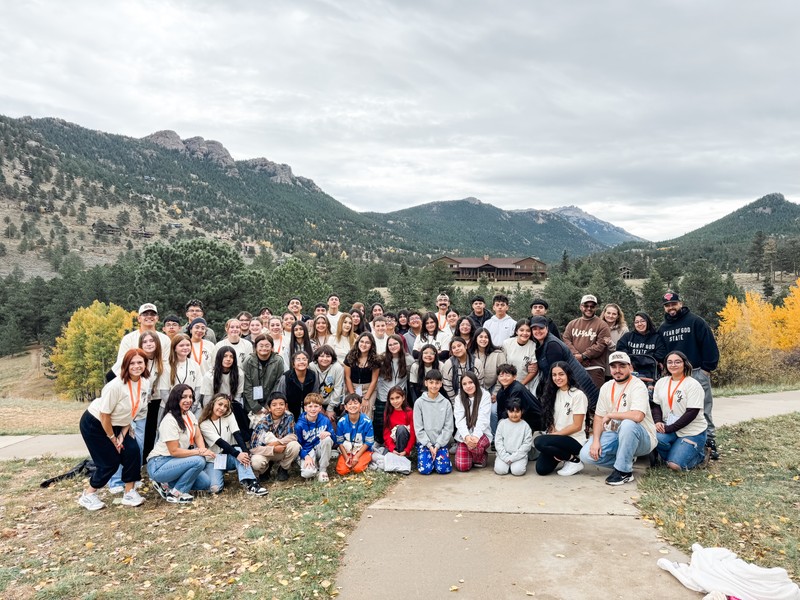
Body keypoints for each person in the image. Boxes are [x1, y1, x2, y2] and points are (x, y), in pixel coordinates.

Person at [78, 349, 150, 511]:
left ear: (145, 364)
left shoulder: (144, 383)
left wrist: (123, 435)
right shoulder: (115, 386)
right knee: (109, 462)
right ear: (125, 365)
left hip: (120, 424)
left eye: (140, 362)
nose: (136, 366)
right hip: (96, 423)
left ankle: (129, 493)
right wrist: (113, 439)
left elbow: (133, 412)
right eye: (132, 363)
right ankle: (88, 495)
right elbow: (105, 415)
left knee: (132, 451)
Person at [658, 291, 721, 460]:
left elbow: (709, 345)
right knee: (676, 408)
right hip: (674, 374)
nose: (671, 308)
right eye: (667, 305)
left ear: (681, 303)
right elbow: (662, 352)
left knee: (703, 408)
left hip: (696, 372)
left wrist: (706, 369)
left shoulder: (695, 321)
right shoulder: (663, 328)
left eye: (674, 304)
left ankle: (709, 441)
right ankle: (681, 442)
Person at [579, 352, 657, 485]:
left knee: (628, 424)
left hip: (643, 438)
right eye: (614, 367)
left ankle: (623, 472)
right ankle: (625, 460)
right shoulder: (606, 387)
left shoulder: (638, 385)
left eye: (622, 366)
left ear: (630, 368)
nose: (617, 370)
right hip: (616, 434)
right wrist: (596, 441)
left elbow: (637, 416)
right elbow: (598, 416)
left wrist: (611, 415)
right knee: (586, 455)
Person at [147, 385, 215, 503]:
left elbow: (197, 435)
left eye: (190, 397)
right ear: (175, 398)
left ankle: (167, 484)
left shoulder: (189, 414)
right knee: (198, 461)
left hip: (176, 461)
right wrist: (198, 452)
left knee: (205, 483)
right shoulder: (169, 420)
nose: (188, 400)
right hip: (160, 463)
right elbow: (174, 451)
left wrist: (203, 450)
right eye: (184, 397)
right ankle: (176, 493)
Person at [198, 394, 267, 496]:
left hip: (229, 456)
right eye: (220, 404)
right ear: (212, 404)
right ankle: (216, 475)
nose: (222, 408)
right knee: (215, 489)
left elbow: (237, 434)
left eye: (225, 406)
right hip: (214, 460)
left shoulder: (229, 415)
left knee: (240, 452)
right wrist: (238, 454)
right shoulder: (204, 424)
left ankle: (251, 483)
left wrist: (245, 452)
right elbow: (220, 442)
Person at [651, 351, 709, 471]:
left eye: (677, 362)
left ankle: (700, 455)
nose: (673, 365)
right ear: (665, 365)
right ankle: (678, 452)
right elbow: (656, 405)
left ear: (685, 364)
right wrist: (657, 421)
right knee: (654, 437)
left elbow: (691, 413)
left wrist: (669, 428)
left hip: (692, 431)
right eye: (670, 362)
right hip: (670, 428)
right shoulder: (661, 382)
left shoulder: (693, 384)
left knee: (675, 466)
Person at [531, 316, 598, 410]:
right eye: (534, 329)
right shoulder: (542, 343)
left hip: (579, 386)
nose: (538, 331)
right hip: (571, 384)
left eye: (541, 328)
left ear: (547, 328)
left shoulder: (552, 345)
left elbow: (555, 374)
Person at [533, 362, 588, 476]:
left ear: (568, 375)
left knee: (539, 441)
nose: (557, 378)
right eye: (554, 375)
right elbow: (550, 419)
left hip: (574, 439)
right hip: (557, 438)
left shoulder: (578, 395)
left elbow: (577, 426)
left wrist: (554, 436)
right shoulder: (553, 393)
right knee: (541, 469)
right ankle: (565, 457)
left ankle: (574, 460)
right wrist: (553, 431)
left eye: (561, 374)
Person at [562, 294, 612, 390]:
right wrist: (576, 355)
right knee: (575, 398)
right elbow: (566, 340)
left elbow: (600, 346)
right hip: (574, 367)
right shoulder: (572, 324)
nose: (589, 308)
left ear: (595, 308)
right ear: (581, 307)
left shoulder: (602, 325)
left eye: (592, 306)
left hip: (594, 369)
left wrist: (584, 356)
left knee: (594, 399)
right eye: (586, 306)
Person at [250, 392, 301, 482]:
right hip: (266, 452)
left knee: (295, 445)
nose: (278, 407)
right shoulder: (263, 423)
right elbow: (254, 448)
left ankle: (283, 469)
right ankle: (265, 471)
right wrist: (273, 449)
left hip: (281, 448)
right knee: (256, 462)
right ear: (269, 408)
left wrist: (277, 443)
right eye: (274, 405)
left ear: (285, 406)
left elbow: (293, 436)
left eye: (281, 404)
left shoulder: (289, 416)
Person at [112, 303, 171, 376]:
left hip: (157, 380)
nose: (149, 316)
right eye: (145, 314)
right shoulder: (128, 339)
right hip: (133, 380)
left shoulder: (165, 339)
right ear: (139, 318)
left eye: (152, 314)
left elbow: (166, 364)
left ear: (157, 318)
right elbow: (122, 363)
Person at [413, 369, 454, 475]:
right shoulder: (419, 403)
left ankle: (439, 458)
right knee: (425, 470)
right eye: (431, 382)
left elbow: (448, 427)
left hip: (440, 443)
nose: (434, 386)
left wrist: (437, 445)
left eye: (437, 383)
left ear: (441, 384)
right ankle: (428, 457)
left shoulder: (446, 403)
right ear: (426, 383)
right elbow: (418, 427)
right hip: (425, 443)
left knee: (443, 469)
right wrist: (429, 445)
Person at [616, 312, 667, 393]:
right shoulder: (628, 336)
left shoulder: (656, 338)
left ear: (648, 322)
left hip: (650, 375)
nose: (639, 324)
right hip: (631, 372)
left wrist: (634, 358)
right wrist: (644, 359)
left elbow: (660, 354)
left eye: (642, 321)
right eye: (636, 322)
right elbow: (620, 351)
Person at [199, 346, 246, 433]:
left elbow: (238, 397)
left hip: (231, 406)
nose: (228, 359)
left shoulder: (239, 374)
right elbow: (207, 400)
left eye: (231, 357)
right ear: (219, 357)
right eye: (225, 356)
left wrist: (229, 410)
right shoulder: (209, 375)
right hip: (214, 407)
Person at [375, 334, 412, 444]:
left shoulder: (408, 359)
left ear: (401, 344)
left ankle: (397, 442)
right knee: (380, 421)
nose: (393, 346)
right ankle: (380, 441)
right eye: (390, 344)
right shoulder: (381, 359)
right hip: (383, 395)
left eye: (395, 343)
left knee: (397, 420)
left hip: (399, 396)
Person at [242, 334, 285, 424]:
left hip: (271, 404)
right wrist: (256, 407)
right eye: (261, 346)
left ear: (272, 347)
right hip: (251, 404)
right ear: (255, 347)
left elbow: (278, 384)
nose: (264, 348)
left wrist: (268, 406)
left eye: (267, 345)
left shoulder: (278, 361)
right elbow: (247, 386)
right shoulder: (249, 361)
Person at [453, 372, 492, 471]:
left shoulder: (485, 395)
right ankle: (472, 455)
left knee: (475, 446)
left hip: (481, 433)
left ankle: (480, 457)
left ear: (476, 382)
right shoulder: (459, 398)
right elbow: (460, 419)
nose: (468, 386)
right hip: (465, 434)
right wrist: (466, 436)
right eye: (464, 384)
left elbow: (483, 418)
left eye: (470, 382)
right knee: (462, 466)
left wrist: (475, 436)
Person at [296, 393, 336, 482]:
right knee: (307, 474)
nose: (313, 409)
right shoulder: (299, 425)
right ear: (305, 408)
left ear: (320, 408)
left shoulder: (325, 420)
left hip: (319, 447)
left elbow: (334, 439)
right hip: (307, 450)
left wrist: (329, 433)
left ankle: (322, 469)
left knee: (327, 439)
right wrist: (306, 456)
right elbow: (297, 445)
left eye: (316, 406)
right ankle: (311, 465)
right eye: (310, 406)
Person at [495, 363, 542, 434]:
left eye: (508, 375)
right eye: (501, 376)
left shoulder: (517, 389)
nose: (504, 378)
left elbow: (513, 409)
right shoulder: (500, 392)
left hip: (534, 421)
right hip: (519, 417)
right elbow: (500, 411)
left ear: (514, 377)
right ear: (498, 377)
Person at [335, 394, 375, 475]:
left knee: (358, 469)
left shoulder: (367, 421)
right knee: (342, 471)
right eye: (350, 404)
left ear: (360, 406)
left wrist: (357, 456)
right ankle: (346, 458)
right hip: (347, 450)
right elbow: (339, 441)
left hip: (362, 450)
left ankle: (369, 458)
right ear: (345, 407)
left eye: (355, 403)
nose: (353, 406)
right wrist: (346, 457)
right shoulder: (341, 422)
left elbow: (368, 442)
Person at [275, 351, 320, 421]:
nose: (301, 362)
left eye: (304, 359)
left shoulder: (314, 376)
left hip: (309, 412)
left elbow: (315, 396)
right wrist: (286, 412)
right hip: (288, 412)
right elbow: (280, 397)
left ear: (308, 363)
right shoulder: (285, 377)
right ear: (293, 364)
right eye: (298, 359)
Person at [343, 332, 381, 416]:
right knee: (352, 410)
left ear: (372, 345)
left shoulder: (376, 359)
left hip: (368, 388)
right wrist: (353, 396)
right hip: (352, 387)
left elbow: (374, 381)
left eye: (367, 343)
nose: (364, 344)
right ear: (358, 342)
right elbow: (347, 378)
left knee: (366, 413)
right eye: (362, 341)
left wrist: (366, 399)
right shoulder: (350, 356)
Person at [493, 400, 533, 476]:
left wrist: (513, 458)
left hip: (519, 455)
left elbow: (526, 445)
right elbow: (498, 442)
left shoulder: (525, 426)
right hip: (504, 454)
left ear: (522, 411)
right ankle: (507, 464)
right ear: (507, 411)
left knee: (517, 471)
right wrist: (505, 457)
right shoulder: (502, 424)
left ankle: (515, 464)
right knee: (500, 470)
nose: (514, 414)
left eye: (517, 412)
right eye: (511, 411)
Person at [310, 345, 345, 424]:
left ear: (332, 358)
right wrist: (318, 406)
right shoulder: (311, 366)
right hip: (315, 403)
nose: (325, 359)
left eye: (328, 356)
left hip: (332, 402)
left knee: (331, 420)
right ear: (317, 357)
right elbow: (310, 389)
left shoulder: (337, 367)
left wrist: (330, 408)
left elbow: (338, 388)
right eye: (321, 356)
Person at [501, 320, 538, 392]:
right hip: (506, 383)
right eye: (521, 330)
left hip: (525, 385)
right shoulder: (507, 343)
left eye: (528, 331)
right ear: (516, 331)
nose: (524, 333)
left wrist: (520, 385)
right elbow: (502, 365)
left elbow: (533, 371)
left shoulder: (533, 346)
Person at [383, 386, 416, 458]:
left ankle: (401, 454)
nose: (395, 401)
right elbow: (386, 432)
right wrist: (392, 448)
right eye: (392, 399)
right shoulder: (388, 412)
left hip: (404, 443)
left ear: (403, 398)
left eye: (397, 397)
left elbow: (413, 434)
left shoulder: (409, 412)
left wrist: (406, 450)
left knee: (401, 429)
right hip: (393, 442)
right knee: (383, 457)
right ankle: (395, 453)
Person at [166, 333, 203, 398]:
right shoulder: (166, 366)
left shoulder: (195, 365)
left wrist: (192, 404)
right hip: (171, 406)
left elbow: (198, 388)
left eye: (188, 345)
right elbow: (164, 392)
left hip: (191, 405)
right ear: (174, 348)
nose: (185, 348)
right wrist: (174, 406)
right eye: (181, 345)